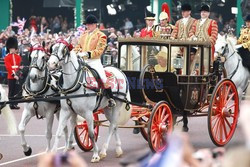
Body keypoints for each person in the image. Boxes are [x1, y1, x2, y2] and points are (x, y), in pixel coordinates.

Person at [74, 14, 116, 107]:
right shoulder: (84, 34)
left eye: (88, 24)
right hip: (82, 60)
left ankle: (110, 98)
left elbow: (99, 51)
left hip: (94, 61)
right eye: (87, 25)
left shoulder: (101, 36)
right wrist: (74, 52)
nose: (87, 26)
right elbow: (79, 46)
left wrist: (87, 54)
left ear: (94, 24)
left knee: (103, 78)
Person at [4, 37, 21, 109]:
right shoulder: (7, 57)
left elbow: (20, 66)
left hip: (17, 75)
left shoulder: (18, 57)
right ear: (10, 48)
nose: (14, 49)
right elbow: (9, 68)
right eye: (13, 48)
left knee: (16, 90)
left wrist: (18, 74)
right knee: (11, 90)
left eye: (15, 48)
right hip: (11, 76)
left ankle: (15, 104)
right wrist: (14, 75)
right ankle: (10, 104)